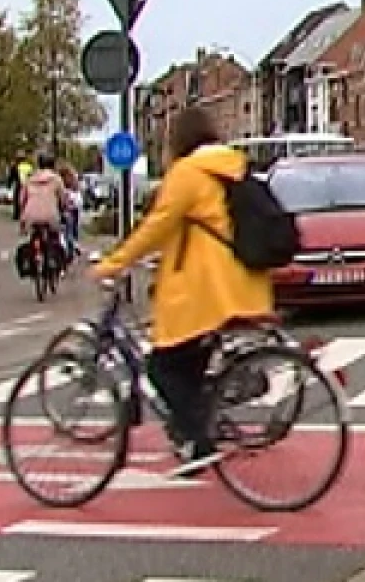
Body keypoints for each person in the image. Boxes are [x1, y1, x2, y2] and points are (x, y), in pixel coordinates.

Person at [91, 107, 271, 474]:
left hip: (206, 292)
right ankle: (195, 437)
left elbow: (157, 227)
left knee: (162, 370)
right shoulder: (232, 166)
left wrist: (113, 263)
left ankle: (199, 445)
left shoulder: (187, 174)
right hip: (241, 284)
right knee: (190, 374)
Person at [18, 155, 67, 277]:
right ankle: (52, 259)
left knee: (33, 234)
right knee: (54, 235)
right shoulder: (56, 179)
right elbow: (63, 198)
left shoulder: (30, 178)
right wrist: (63, 209)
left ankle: (30, 258)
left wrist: (23, 213)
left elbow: (22, 199)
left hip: (31, 214)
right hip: (50, 214)